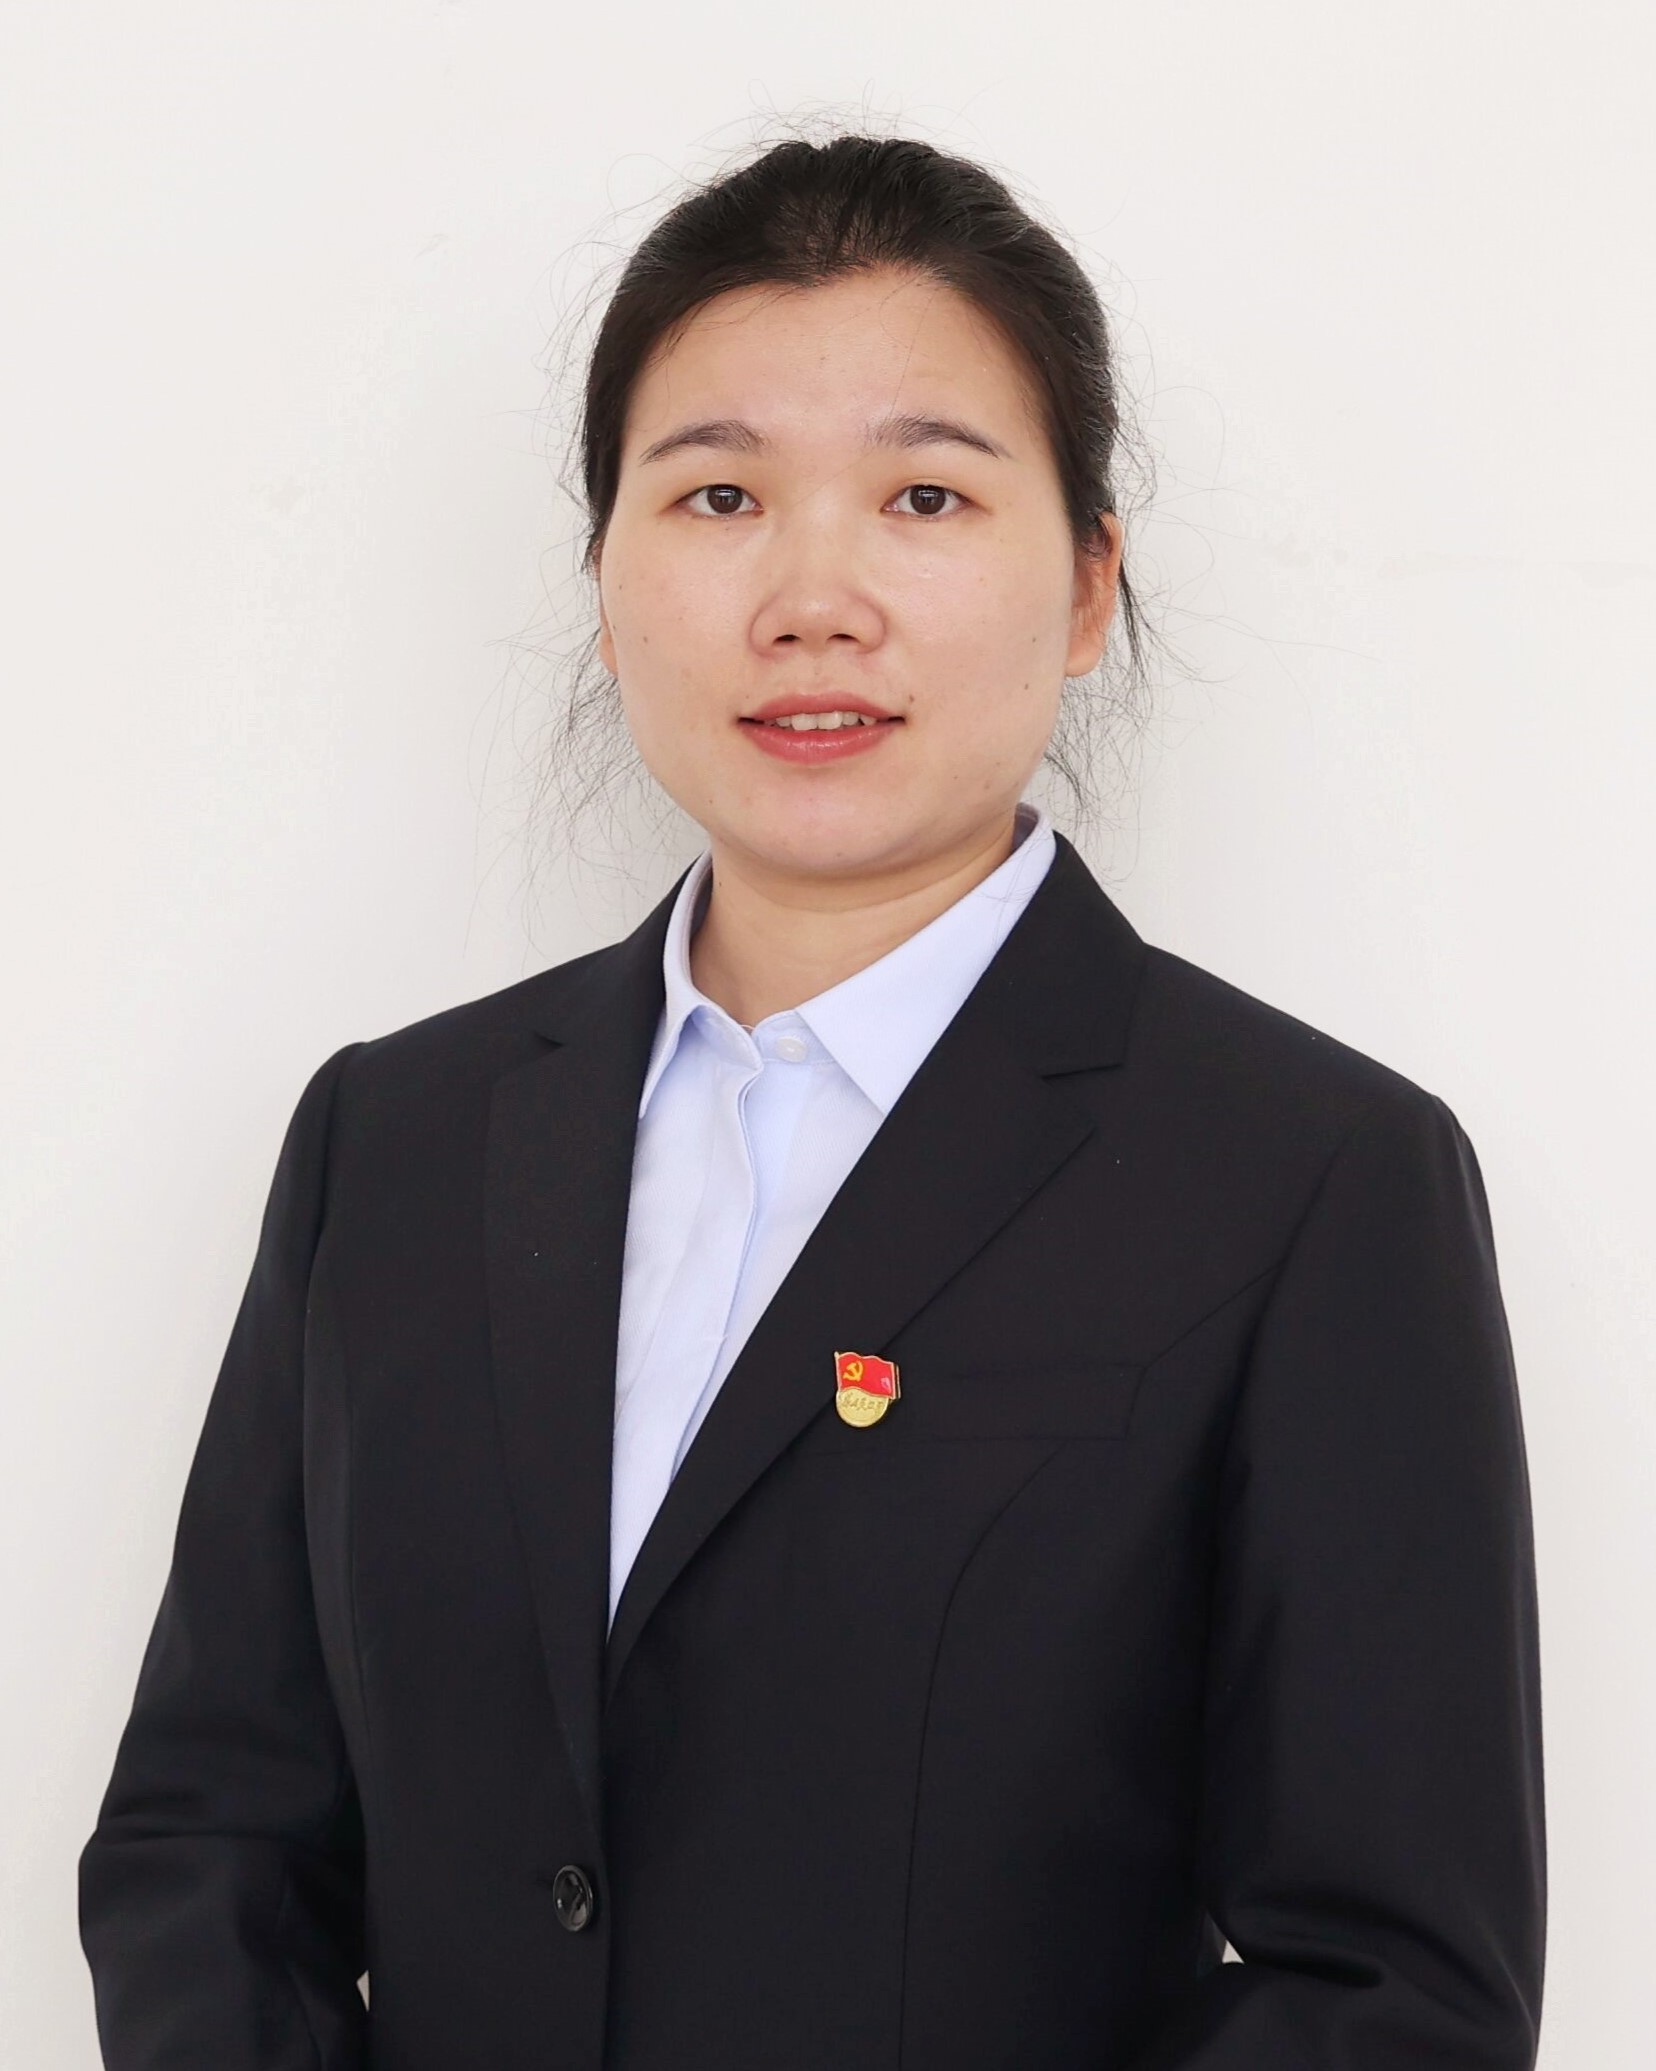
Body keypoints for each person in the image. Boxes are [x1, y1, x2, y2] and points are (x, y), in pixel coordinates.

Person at [78, 133, 1546, 2071]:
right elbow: (212, 1841)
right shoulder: (398, 1140)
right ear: (608, 582)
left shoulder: (1311, 1180)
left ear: (1087, 582)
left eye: (926, 493)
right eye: (719, 494)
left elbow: (1390, 1988)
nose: (812, 594)